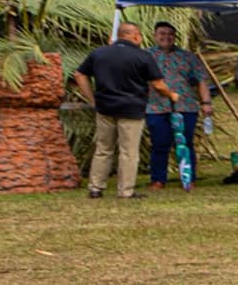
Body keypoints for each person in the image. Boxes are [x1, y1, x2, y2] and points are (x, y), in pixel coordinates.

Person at [72, 20, 171, 202]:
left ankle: (95, 187)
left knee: (103, 148)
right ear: (134, 35)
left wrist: (92, 99)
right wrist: (172, 95)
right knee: (128, 151)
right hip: (131, 109)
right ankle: (125, 190)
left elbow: (79, 75)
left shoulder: (99, 53)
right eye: (140, 35)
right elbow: (158, 84)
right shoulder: (142, 56)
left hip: (105, 108)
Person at [142, 21, 214, 190]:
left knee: (185, 143)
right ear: (155, 36)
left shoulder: (188, 57)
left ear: (175, 37)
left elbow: (201, 81)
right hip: (156, 107)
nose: (165, 37)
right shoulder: (145, 56)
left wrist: (206, 103)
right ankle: (158, 180)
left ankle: (189, 178)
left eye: (169, 34)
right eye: (162, 33)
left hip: (186, 106)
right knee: (160, 144)